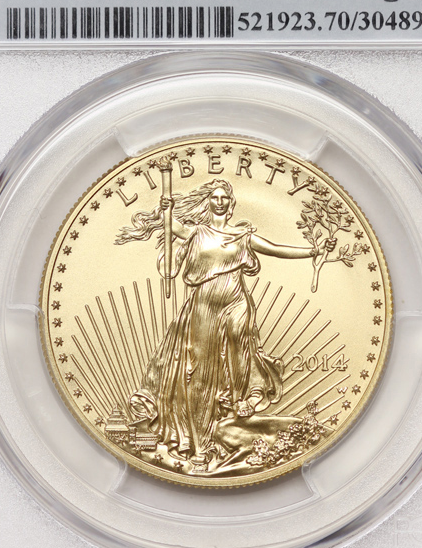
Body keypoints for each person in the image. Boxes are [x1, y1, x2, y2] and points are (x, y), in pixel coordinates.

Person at [115, 179, 335, 467]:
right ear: (208, 202)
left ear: (231, 204)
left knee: (239, 355)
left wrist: (313, 252)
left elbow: (275, 248)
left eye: (224, 198)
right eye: (215, 197)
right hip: (204, 305)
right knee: (199, 369)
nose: (219, 202)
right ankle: (200, 442)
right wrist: (166, 209)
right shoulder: (196, 232)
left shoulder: (242, 236)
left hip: (236, 302)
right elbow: (172, 226)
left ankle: (241, 404)